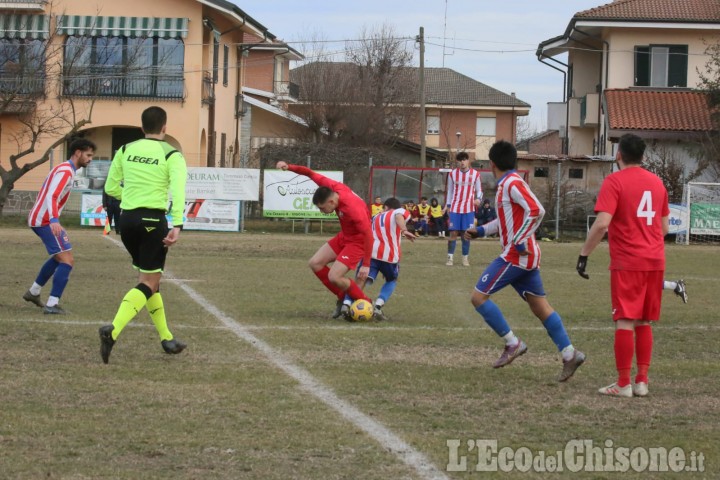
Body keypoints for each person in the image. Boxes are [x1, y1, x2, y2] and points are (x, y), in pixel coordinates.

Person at [465, 140, 585, 382]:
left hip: (516, 255)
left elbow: (537, 210)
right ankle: (570, 353)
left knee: (478, 297)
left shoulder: (511, 183)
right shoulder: (506, 186)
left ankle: (513, 343)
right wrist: (481, 231)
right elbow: (504, 222)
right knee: (540, 307)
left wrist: (519, 239)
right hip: (526, 256)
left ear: (491, 164)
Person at [577, 133, 669, 398]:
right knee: (644, 321)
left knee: (625, 320)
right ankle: (642, 381)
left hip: (628, 260)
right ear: (643, 156)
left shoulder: (614, 181)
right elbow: (663, 228)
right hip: (655, 259)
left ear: (618, 155)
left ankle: (623, 383)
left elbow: (602, 223)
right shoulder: (657, 183)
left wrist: (584, 254)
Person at [98, 106, 187, 364]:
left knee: (151, 280)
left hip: (126, 221)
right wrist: (178, 223)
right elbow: (179, 192)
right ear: (165, 127)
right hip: (152, 221)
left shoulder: (125, 150)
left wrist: (130, 198)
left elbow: (111, 187)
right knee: (148, 283)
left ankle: (167, 339)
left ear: (141, 127)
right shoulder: (172, 154)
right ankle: (112, 331)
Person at [275, 160, 374, 318]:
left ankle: (366, 303)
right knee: (315, 263)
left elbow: (369, 235)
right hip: (345, 236)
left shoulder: (353, 208)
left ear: (331, 202)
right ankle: (342, 298)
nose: (322, 211)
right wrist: (289, 167)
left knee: (334, 277)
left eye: (322, 208)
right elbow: (310, 173)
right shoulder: (333, 188)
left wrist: (366, 265)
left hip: (358, 242)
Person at [24, 139, 96, 314]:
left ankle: (34, 292)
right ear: (77, 153)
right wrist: (54, 219)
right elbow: (52, 195)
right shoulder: (65, 171)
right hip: (45, 221)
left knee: (59, 257)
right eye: (88, 155)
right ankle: (52, 304)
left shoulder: (66, 169)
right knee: (67, 260)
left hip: (42, 219)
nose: (90, 159)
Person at [341, 197, 416, 320]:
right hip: (390, 257)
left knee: (361, 279)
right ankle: (377, 307)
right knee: (391, 280)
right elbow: (398, 216)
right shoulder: (399, 211)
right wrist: (404, 230)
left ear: (385, 207)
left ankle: (346, 304)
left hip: (371, 254)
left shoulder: (375, 217)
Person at [446, 151, 483, 266]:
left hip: (468, 209)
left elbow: (479, 190)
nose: (462, 162)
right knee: (453, 234)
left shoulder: (475, 174)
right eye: (460, 160)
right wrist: (448, 205)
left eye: (464, 159)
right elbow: (450, 191)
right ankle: (450, 258)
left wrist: (479, 199)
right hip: (455, 208)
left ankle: (465, 258)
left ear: (468, 161)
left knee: (466, 235)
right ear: (457, 161)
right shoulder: (452, 174)